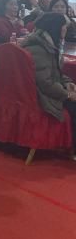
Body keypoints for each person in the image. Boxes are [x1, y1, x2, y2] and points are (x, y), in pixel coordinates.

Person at [21, 13, 76, 158]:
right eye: (64, 28)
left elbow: (55, 72)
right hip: (41, 96)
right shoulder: (39, 49)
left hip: (44, 90)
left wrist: (68, 83)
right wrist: (67, 95)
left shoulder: (46, 44)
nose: (66, 31)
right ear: (56, 28)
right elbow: (45, 83)